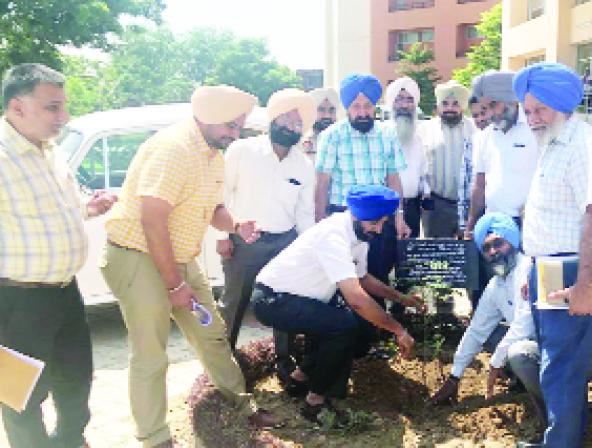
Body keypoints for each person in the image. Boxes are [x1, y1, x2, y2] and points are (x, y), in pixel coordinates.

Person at [101, 85, 279, 447]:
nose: (234, 133)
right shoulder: (174, 149)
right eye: (230, 125)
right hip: (137, 256)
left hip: (179, 258)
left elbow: (213, 209)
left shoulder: (213, 153)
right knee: (151, 354)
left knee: (212, 333)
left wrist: (236, 225)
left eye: (239, 126)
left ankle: (243, 407)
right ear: (207, 116)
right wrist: (174, 285)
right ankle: (155, 438)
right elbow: (152, 221)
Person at [0, 63, 116, 448]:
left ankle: (69, 441)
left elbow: (51, 207)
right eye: (52, 107)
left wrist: (87, 207)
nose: (63, 117)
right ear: (17, 107)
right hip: (15, 300)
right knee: (19, 396)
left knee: (75, 381)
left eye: (63, 106)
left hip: (65, 293)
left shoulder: (49, 150)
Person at [251, 185, 422, 426]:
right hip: (273, 300)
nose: (379, 229)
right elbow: (356, 298)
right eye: (375, 223)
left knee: (341, 321)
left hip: (300, 298)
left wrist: (401, 299)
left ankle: (299, 381)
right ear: (355, 216)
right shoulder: (333, 235)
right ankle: (315, 404)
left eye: (383, 222)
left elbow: (363, 278)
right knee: (343, 325)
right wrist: (398, 329)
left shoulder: (360, 236)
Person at [514, 62, 592, 448]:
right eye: (527, 111)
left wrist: (586, 284)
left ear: (563, 104)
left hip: (574, 270)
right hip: (549, 267)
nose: (533, 118)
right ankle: (558, 439)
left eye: (540, 109)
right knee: (555, 364)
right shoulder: (553, 142)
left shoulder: (586, 146)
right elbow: (551, 217)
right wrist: (533, 268)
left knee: (562, 368)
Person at [216, 88, 316, 348]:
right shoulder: (241, 150)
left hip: (285, 245)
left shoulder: (304, 166)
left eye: (297, 123)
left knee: (282, 306)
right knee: (233, 305)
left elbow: (304, 214)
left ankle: (283, 362)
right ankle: (224, 368)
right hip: (243, 242)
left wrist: (308, 250)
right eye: (286, 119)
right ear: (273, 119)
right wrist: (222, 236)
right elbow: (220, 195)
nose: (291, 127)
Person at [428, 213, 540, 407]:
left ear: (512, 241)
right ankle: (523, 381)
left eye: (498, 243)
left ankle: (546, 407)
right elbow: (476, 330)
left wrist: (496, 360)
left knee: (516, 352)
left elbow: (526, 323)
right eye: (487, 248)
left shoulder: (529, 269)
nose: (493, 251)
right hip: (534, 345)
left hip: (562, 350)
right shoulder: (496, 285)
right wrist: (454, 376)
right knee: (490, 336)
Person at [314, 74, 410, 292]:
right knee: (343, 284)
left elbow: (393, 179)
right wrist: (320, 220)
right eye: (356, 106)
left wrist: (399, 217)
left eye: (367, 105)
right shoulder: (332, 136)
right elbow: (321, 183)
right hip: (343, 220)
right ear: (347, 108)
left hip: (380, 221)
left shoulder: (388, 134)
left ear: (374, 106)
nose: (362, 112)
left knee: (377, 277)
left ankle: (375, 326)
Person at [465, 70, 538, 238]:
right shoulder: (484, 136)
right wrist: (471, 224)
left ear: (512, 100)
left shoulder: (535, 129)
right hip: (494, 225)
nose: (489, 114)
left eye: (493, 105)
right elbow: (480, 184)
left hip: (529, 224)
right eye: (484, 108)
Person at [420, 79, 477, 238]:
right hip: (437, 205)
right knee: (437, 256)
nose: (449, 108)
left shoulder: (475, 129)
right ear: (438, 106)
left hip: (469, 204)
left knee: (466, 254)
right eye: (445, 104)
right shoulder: (425, 129)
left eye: (455, 104)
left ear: (463, 107)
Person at [385, 77, 428, 238]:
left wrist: (426, 193)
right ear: (391, 103)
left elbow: (423, 173)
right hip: (387, 208)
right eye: (399, 99)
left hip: (413, 207)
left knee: (409, 258)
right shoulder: (382, 135)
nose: (404, 105)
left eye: (410, 100)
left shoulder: (418, 138)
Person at [303, 87, 340, 160]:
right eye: (321, 110)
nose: (327, 115)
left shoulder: (345, 141)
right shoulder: (299, 142)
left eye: (331, 110)